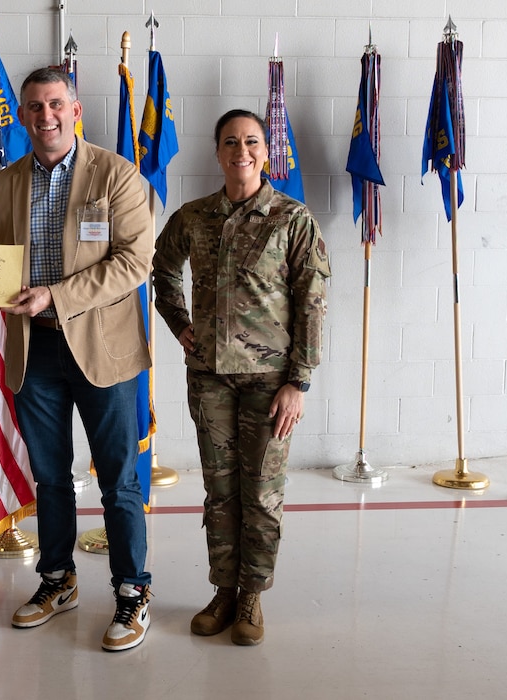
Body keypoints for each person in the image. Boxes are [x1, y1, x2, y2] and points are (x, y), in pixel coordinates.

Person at [0, 67, 154, 651]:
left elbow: (133, 262)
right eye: (35, 107)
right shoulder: (5, 184)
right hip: (34, 349)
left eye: (56, 104)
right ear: (22, 114)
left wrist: (56, 294)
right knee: (50, 476)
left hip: (103, 348)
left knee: (118, 481)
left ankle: (131, 590)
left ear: (75, 107)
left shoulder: (116, 175)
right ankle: (58, 579)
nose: (46, 116)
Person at [152, 109, 330, 646]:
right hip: (210, 379)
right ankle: (223, 591)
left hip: (270, 382)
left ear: (265, 152)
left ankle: (252, 595)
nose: (241, 151)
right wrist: (180, 325)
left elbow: (313, 301)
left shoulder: (292, 218)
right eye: (231, 142)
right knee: (220, 491)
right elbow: (161, 267)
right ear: (218, 151)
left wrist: (298, 381)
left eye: (251, 141)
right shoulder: (194, 216)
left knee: (262, 491)